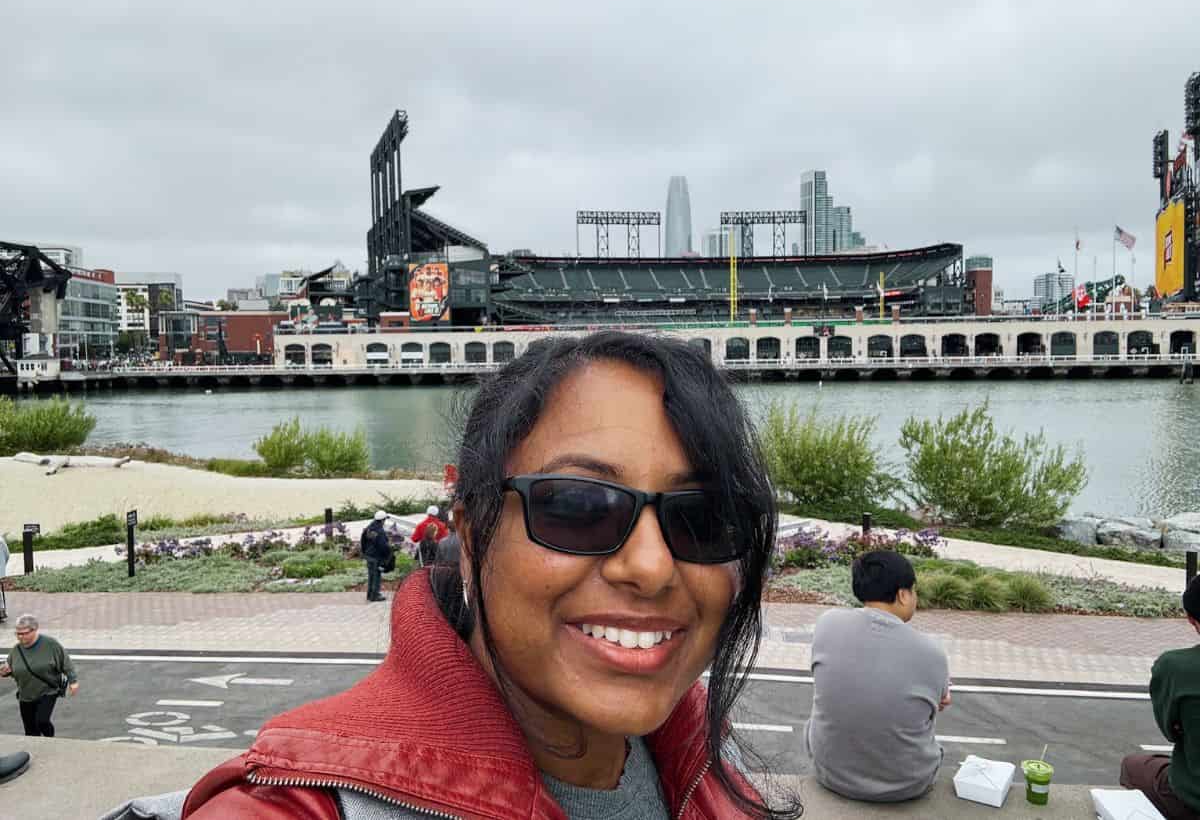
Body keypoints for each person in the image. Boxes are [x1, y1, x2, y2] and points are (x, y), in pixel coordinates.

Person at [166, 331, 798, 818]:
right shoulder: (294, 801)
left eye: (706, 518)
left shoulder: (707, 759)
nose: (652, 567)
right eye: (578, 507)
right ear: (470, 536)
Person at [805, 550, 951, 802]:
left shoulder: (827, 625)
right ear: (903, 594)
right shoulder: (932, 652)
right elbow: (936, 705)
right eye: (914, 591)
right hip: (907, 784)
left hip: (830, 774)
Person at [1119, 574, 1200, 819]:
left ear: (1192, 620)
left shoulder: (1175, 667)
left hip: (1192, 797)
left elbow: (1171, 731)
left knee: (1133, 766)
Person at [1, 614, 79, 737]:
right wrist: (5, 672)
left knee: (42, 721)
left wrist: (73, 681)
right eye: (17, 633)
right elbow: (11, 668)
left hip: (47, 691)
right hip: (25, 695)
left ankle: (50, 740)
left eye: (24, 633)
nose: (20, 637)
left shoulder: (50, 644)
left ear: (35, 629)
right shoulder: (16, 649)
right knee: (30, 730)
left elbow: (65, 662)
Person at [359, 511, 393, 603]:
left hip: (369, 555)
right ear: (382, 520)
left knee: (371, 576)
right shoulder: (379, 531)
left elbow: (362, 541)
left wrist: (364, 552)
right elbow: (383, 546)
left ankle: (370, 595)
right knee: (376, 576)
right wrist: (388, 553)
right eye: (385, 519)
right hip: (376, 556)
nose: (385, 521)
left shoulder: (368, 528)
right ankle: (375, 595)